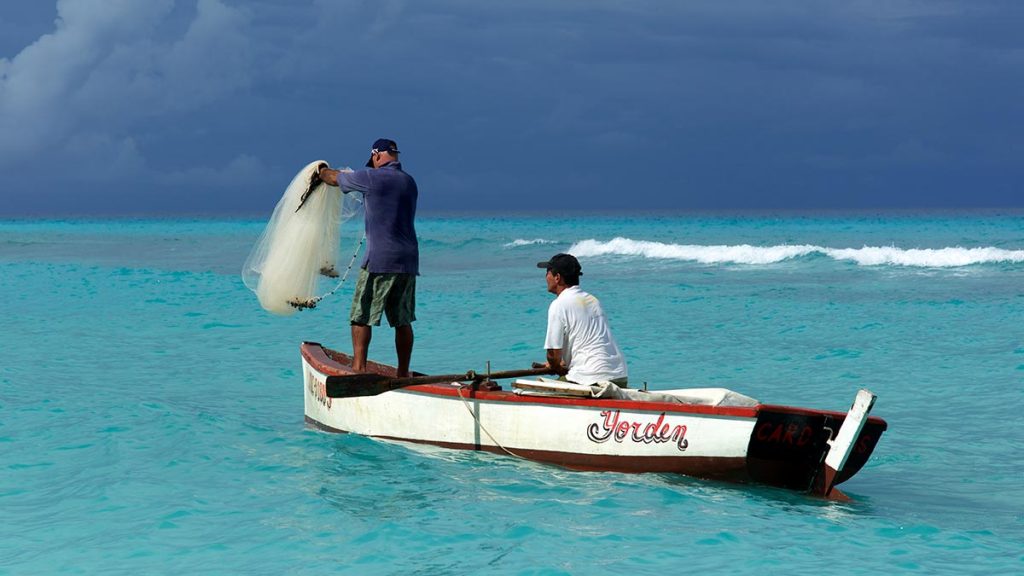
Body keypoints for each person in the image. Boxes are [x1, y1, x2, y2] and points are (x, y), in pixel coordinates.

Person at [316, 138, 419, 376]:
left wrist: (319, 170)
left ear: (377, 156)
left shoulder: (371, 177)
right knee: (402, 320)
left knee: (360, 317)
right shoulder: (409, 182)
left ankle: (358, 370)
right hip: (408, 260)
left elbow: (334, 178)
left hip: (380, 258)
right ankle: (403, 373)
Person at [536, 253, 628, 386]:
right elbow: (589, 344)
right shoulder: (592, 300)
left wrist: (555, 366)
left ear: (557, 277)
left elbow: (553, 353)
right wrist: (561, 363)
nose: (545, 277)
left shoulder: (559, 304)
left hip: (591, 378)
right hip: (619, 375)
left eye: (547, 272)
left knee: (540, 389)